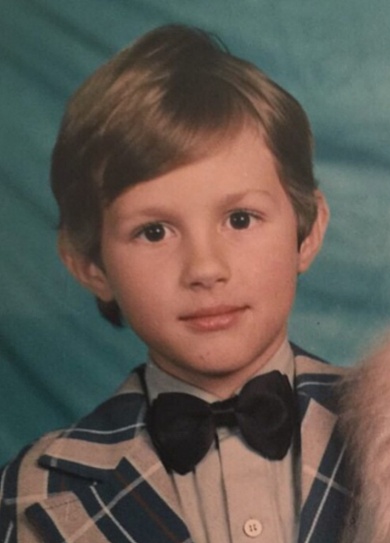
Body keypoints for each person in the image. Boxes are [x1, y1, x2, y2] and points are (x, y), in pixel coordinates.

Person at [0, 24, 351, 543]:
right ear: (90, 264)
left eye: (240, 219)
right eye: (154, 231)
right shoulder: (34, 492)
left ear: (308, 230)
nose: (205, 268)